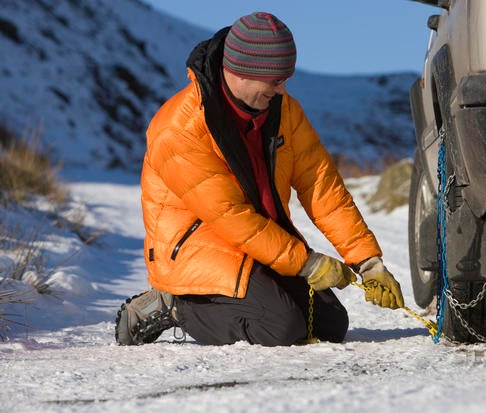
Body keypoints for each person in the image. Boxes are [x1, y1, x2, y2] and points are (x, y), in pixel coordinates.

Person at [115, 11, 404, 347]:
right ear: (243, 73)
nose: (282, 89)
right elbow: (230, 218)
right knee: (281, 329)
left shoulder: (284, 111)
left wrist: (366, 260)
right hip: (199, 248)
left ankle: (233, 300)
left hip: (257, 245)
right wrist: (306, 262)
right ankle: (175, 304)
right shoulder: (179, 129)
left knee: (329, 325)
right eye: (276, 80)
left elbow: (321, 186)